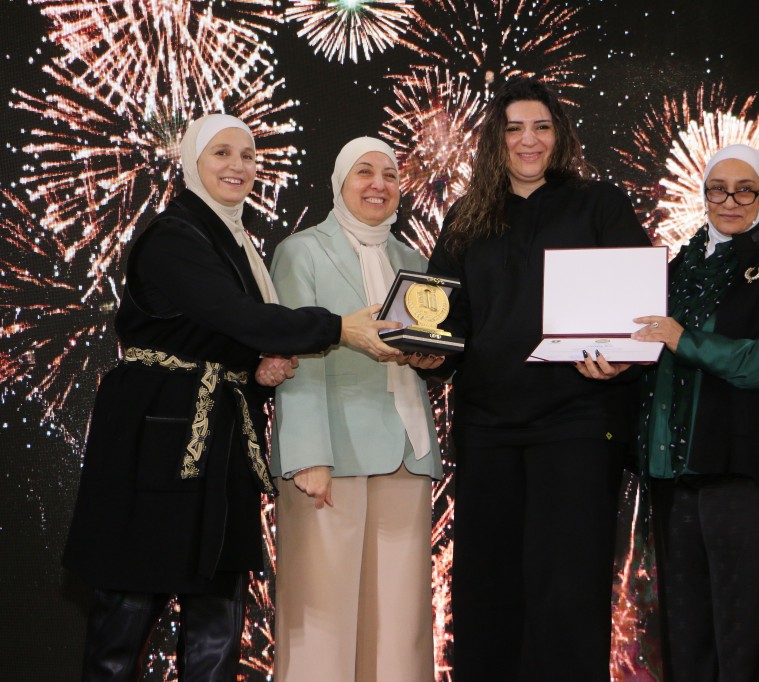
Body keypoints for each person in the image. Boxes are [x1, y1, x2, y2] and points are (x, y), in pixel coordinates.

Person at [62, 114, 401, 682]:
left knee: (217, 618)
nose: (237, 166)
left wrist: (254, 369)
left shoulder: (232, 238)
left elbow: (217, 330)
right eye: (221, 153)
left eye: (247, 155)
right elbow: (237, 315)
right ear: (191, 163)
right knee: (126, 614)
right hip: (155, 444)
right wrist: (340, 328)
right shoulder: (175, 234)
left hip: (219, 444)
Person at [424, 76, 651, 681]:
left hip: (577, 422)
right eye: (514, 128)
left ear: (561, 135)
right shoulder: (465, 217)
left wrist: (623, 356)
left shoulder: (599, 204)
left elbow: (638, 304)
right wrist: (428, 354)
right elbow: (443, 319)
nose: (529, 140)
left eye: (542, 127)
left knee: (568, 589)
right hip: (486, 428)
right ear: (494, 139)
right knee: (486, 589)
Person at [621, 144, 759, 681]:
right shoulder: (674, 268)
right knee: (686, 641)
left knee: (744, 639)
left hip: (745, 476)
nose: (729, 201)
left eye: (744, 190)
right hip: (673, 478)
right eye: (718, 189)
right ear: (704, 194)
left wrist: (686, 341)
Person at [269, 137, 444, 682]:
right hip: (331, 456)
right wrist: (307, 456)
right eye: (364, 172)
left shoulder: (413, 260)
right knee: (323, 618)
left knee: (399, 623)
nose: (378, 184)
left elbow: (423, 348)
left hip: (406, 452)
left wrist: (430, 357)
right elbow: (296, 354)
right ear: (339, 183)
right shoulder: (300, 251)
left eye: (389, 175)